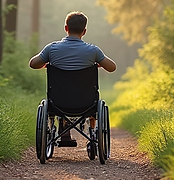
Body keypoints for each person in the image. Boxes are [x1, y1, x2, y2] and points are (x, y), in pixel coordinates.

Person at [29, 11, 116, 146]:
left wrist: (47, 65)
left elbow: (33, 64)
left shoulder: (51, 49)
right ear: (84, 31)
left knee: (62, 93)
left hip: (58, 102)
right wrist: (96, 64)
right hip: (87, 103)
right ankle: (89, 136)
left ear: (66, 28)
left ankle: (64, 131)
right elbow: (112, 67)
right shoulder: (93, 51)